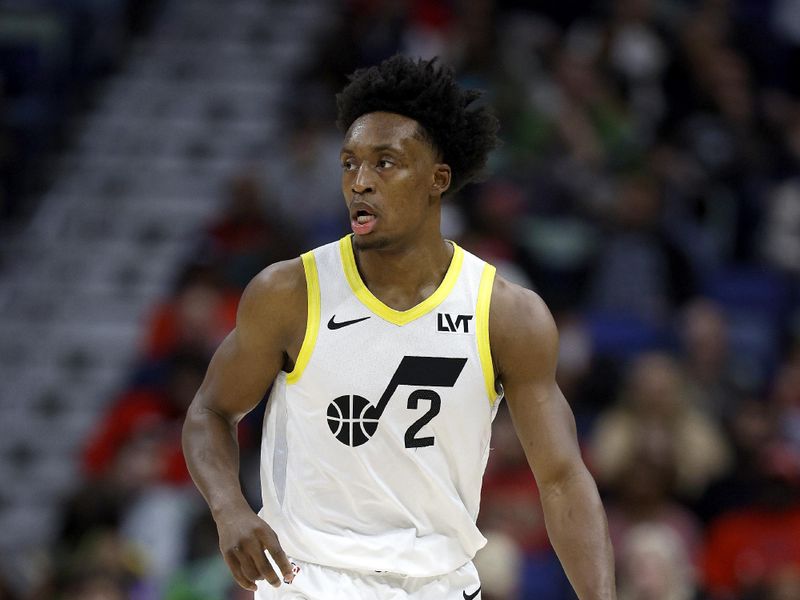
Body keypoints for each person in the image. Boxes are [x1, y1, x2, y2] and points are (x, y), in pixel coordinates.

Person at [182, 55, 616, 600]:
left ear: (437, 179)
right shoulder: (290, 293)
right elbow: (209, 411)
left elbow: (562, 480)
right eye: (349, 163)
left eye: (384, 163)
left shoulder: (506, 313)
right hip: (309, 580)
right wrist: (229, 509)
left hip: (439, 583)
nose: (360, 182)